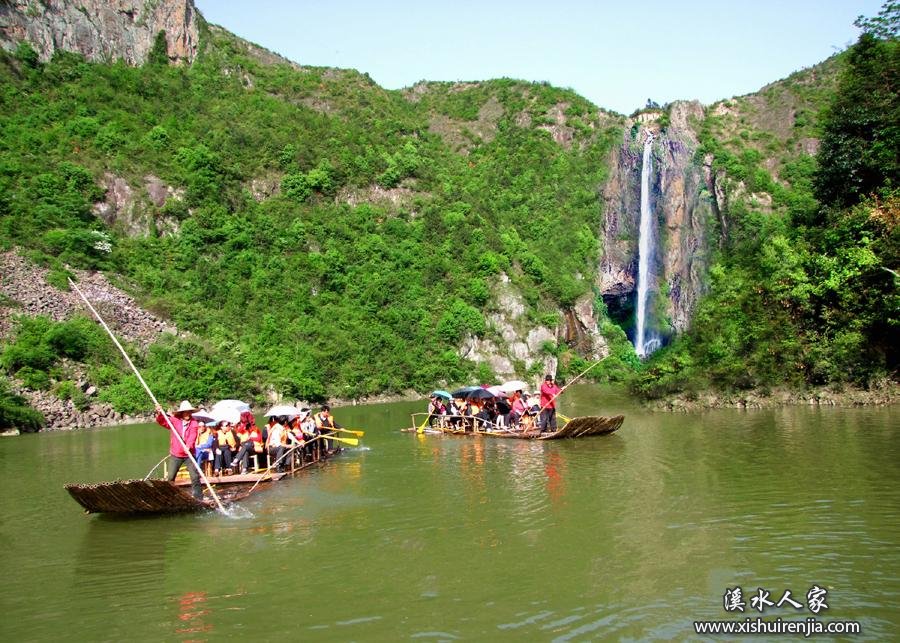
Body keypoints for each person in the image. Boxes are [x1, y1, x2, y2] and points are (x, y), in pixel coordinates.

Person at [155, 400, 203, 500]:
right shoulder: (175, 420)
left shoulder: (194, 423)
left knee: (195, 477)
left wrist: (189, 446)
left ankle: (198, 498)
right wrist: (160, 412)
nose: (188, 414)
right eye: (185, 412)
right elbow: (162, 422)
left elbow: (193, 436)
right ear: (182, 413)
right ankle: (168, 497)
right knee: (170, 477)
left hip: (189, 454)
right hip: (176, 454)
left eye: (189, 412)